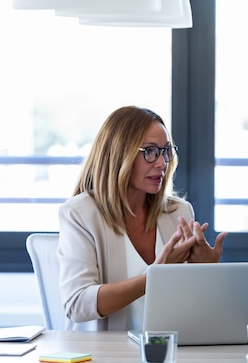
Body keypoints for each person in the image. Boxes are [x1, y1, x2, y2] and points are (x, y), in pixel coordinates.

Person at [58, 106, 227, 331]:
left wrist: (207, 271)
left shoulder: (179, 212)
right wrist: (156, 275)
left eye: (166, 151)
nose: (161, 163)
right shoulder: (80, 214)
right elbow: (77, 304)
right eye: (149, 151)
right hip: (105, 353)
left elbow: (192, 308)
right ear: (118, 155)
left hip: (164, 348)